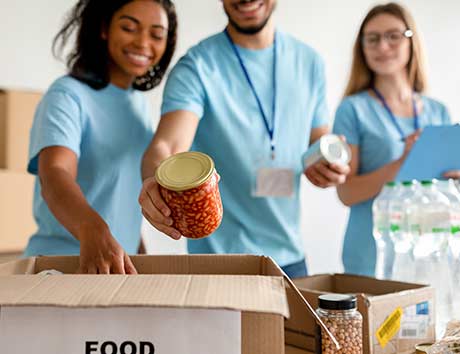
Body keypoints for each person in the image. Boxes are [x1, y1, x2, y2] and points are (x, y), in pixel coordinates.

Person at [138, 0, 349, 278]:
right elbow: (168, 145)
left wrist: (328, 164)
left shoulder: (309, 62)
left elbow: (318, 139)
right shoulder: (197, 66)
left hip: (291, 259)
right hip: (218, 264)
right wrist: (155, 178)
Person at [24, 0, 177, 274]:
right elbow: (55, 173)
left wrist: (137, 250)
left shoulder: (138, 106)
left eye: (156, 35)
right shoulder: (67, 95)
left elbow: (119, 192)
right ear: (104, 28)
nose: (143, 43)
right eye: (130, 28)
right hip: (61, 267)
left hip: (115, 269)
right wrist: (93, 230)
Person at [332, 2, 457, 276]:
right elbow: (346, 192)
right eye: (373, 39)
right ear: (362, 48)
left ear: (412, 41)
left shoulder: (438, 111)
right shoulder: (352, 110)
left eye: (393, 36)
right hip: (370, 256)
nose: (383, 46)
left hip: (429, 253)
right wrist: (401, 163)